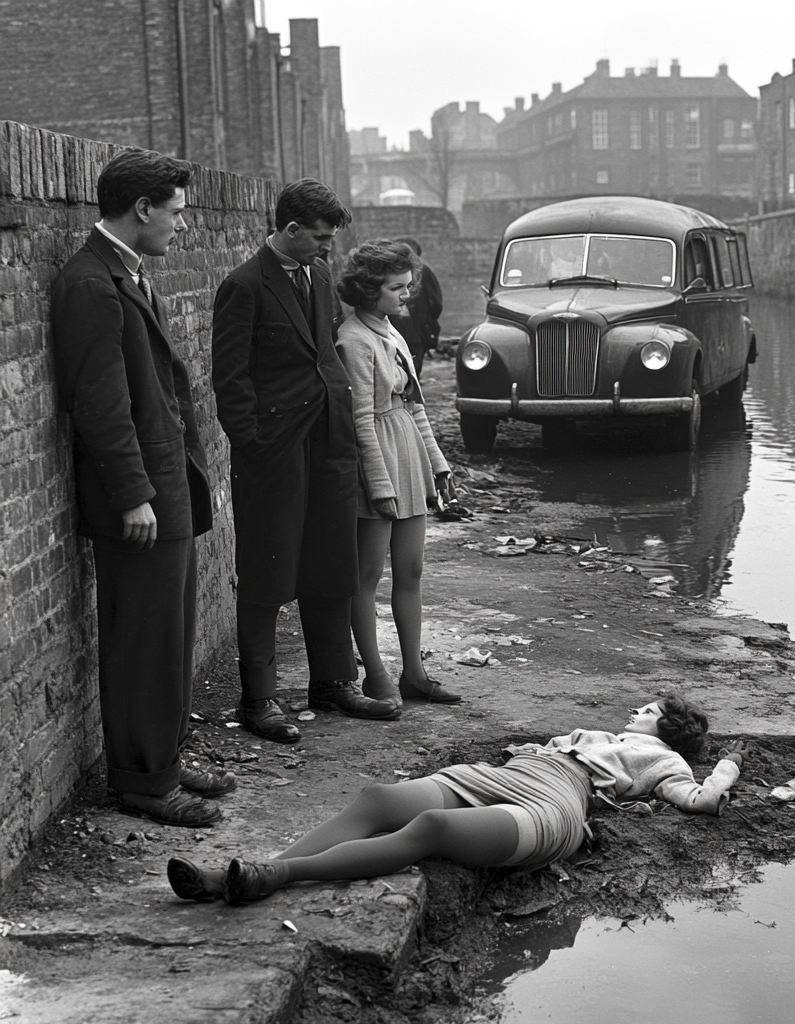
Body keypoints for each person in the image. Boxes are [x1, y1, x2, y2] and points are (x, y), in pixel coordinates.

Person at [50, 150, 233, 828]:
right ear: (143, 209)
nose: (182, 227)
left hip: (164, 485)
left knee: (171, 634)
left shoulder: (126, 273)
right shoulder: (91, 283)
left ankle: (164, 754)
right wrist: (131, 493)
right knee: (142, 641)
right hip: (141, 497)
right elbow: (98, 405)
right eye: (177, 213)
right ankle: (144, 783)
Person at [165, 691, 747, 902]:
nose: (637, 709)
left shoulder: (663, 759)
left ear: (668, 727)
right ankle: (246, 873)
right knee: (378, 798)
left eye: (649, 709)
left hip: (555, 804)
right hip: (508, 773)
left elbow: (698, 799)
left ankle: (273, 877)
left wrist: (727, 765)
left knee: (431, 833)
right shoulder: (596, 734)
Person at [212, 180, 399, 744]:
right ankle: (260, 699)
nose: (328, 249)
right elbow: (230, 377)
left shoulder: (317, 277)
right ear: (290, 230)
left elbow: (322, 354)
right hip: (275, 452)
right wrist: (256, 445)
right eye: (319, 238)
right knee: (268, 574)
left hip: (329, 443)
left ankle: (333, 682)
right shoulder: (243, 286)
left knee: (331, 565)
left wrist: (340, 415)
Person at [334, 239, 461, 708]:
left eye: (409, 286)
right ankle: (375, 677)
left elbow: (415, 404)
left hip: (406, 448)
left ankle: (415, 673)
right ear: (369, 290)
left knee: (411, 569)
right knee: (366, 576)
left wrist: (438, 463)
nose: (407, 295)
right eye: (396, 288)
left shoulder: (392, 330)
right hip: (377, 459)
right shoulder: (354, 340)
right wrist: (379, 484)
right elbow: (360, 419)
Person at [390, 237, 443, 374]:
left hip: (406, 325)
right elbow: (435, 303)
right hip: (413, 326)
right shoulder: (422, 270)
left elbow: (434, 304)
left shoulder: (421, 271)